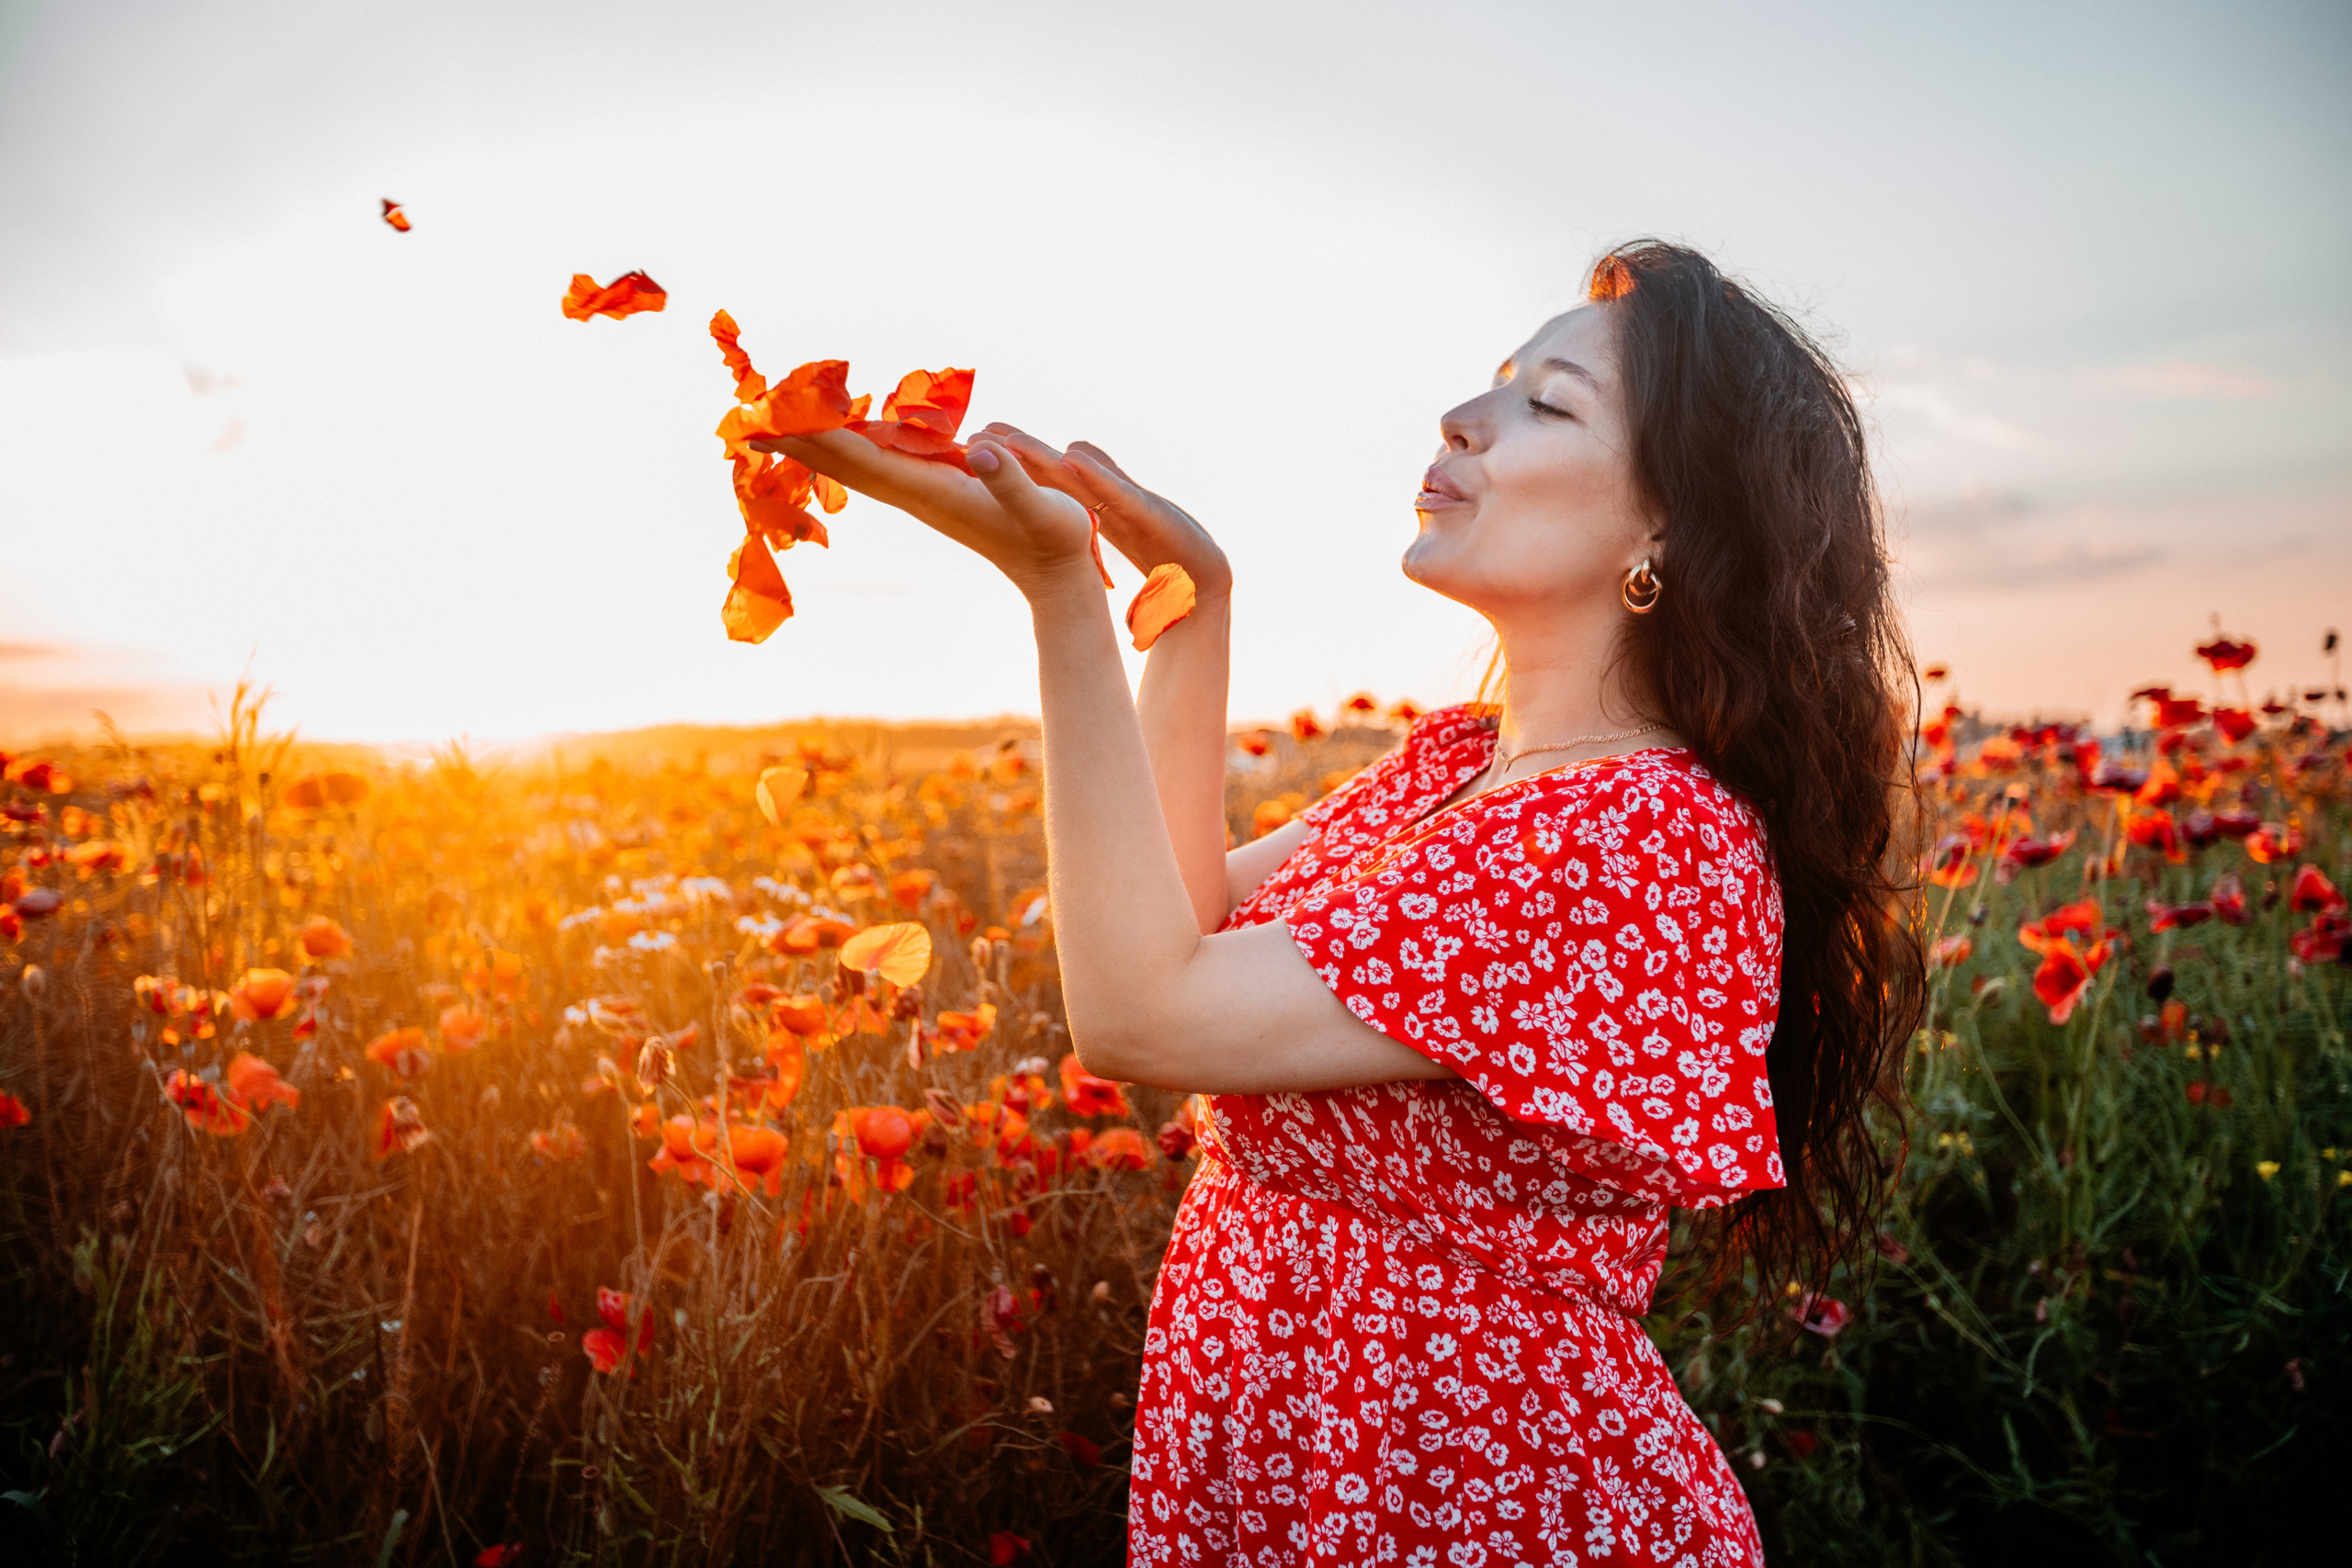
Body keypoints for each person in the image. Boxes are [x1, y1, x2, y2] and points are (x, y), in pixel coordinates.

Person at [763, 238, 1923, 1567]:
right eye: (1494, 382)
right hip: (1297, 1451)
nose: (1464, 419)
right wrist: (1192, 609)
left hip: (1460, 1493)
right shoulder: (1460, 773)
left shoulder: (1635, 835)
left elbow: (1144, 1016)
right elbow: (1180, 923)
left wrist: (1058, 596)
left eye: (1547, 403)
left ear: (1669, 527)